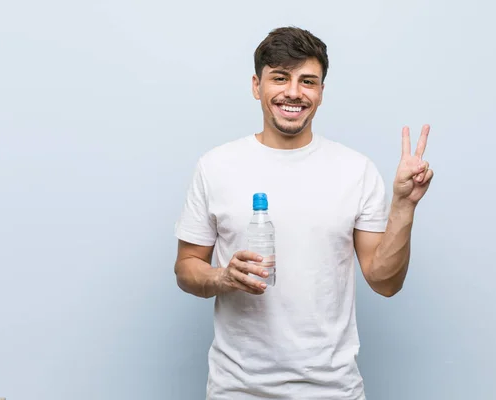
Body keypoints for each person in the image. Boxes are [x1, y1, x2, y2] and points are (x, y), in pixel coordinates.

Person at [173, 26, 433, 400]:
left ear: (322, 92)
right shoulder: (216, 166)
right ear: (256, 86)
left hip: (333, 389)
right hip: (238, 389)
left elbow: (385, 282)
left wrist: (404, 206)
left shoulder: (355, 170)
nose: (294, 92)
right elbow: (186, 267)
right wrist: (222, 277)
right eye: (280, 78)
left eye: (307, 81)